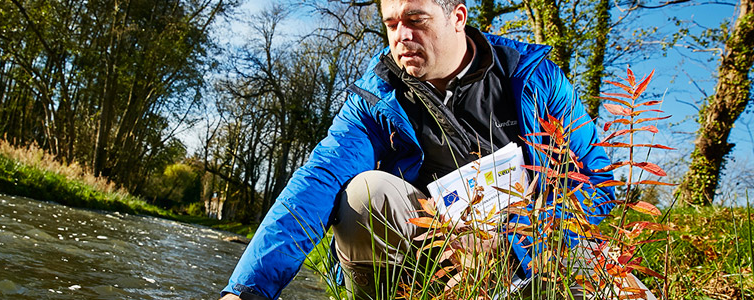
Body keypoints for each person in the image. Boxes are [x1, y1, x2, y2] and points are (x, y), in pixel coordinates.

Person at [220, 0, 621, 299]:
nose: (401, 37)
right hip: (431, 259)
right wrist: (244, 292)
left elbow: (598, 184)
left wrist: (510, 239)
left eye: (415, 21)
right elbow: (318, 180)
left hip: (536, 251)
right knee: (364, 194)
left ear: (458, 17)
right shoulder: (376, 96)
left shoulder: (534, 78)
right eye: (391, 24)